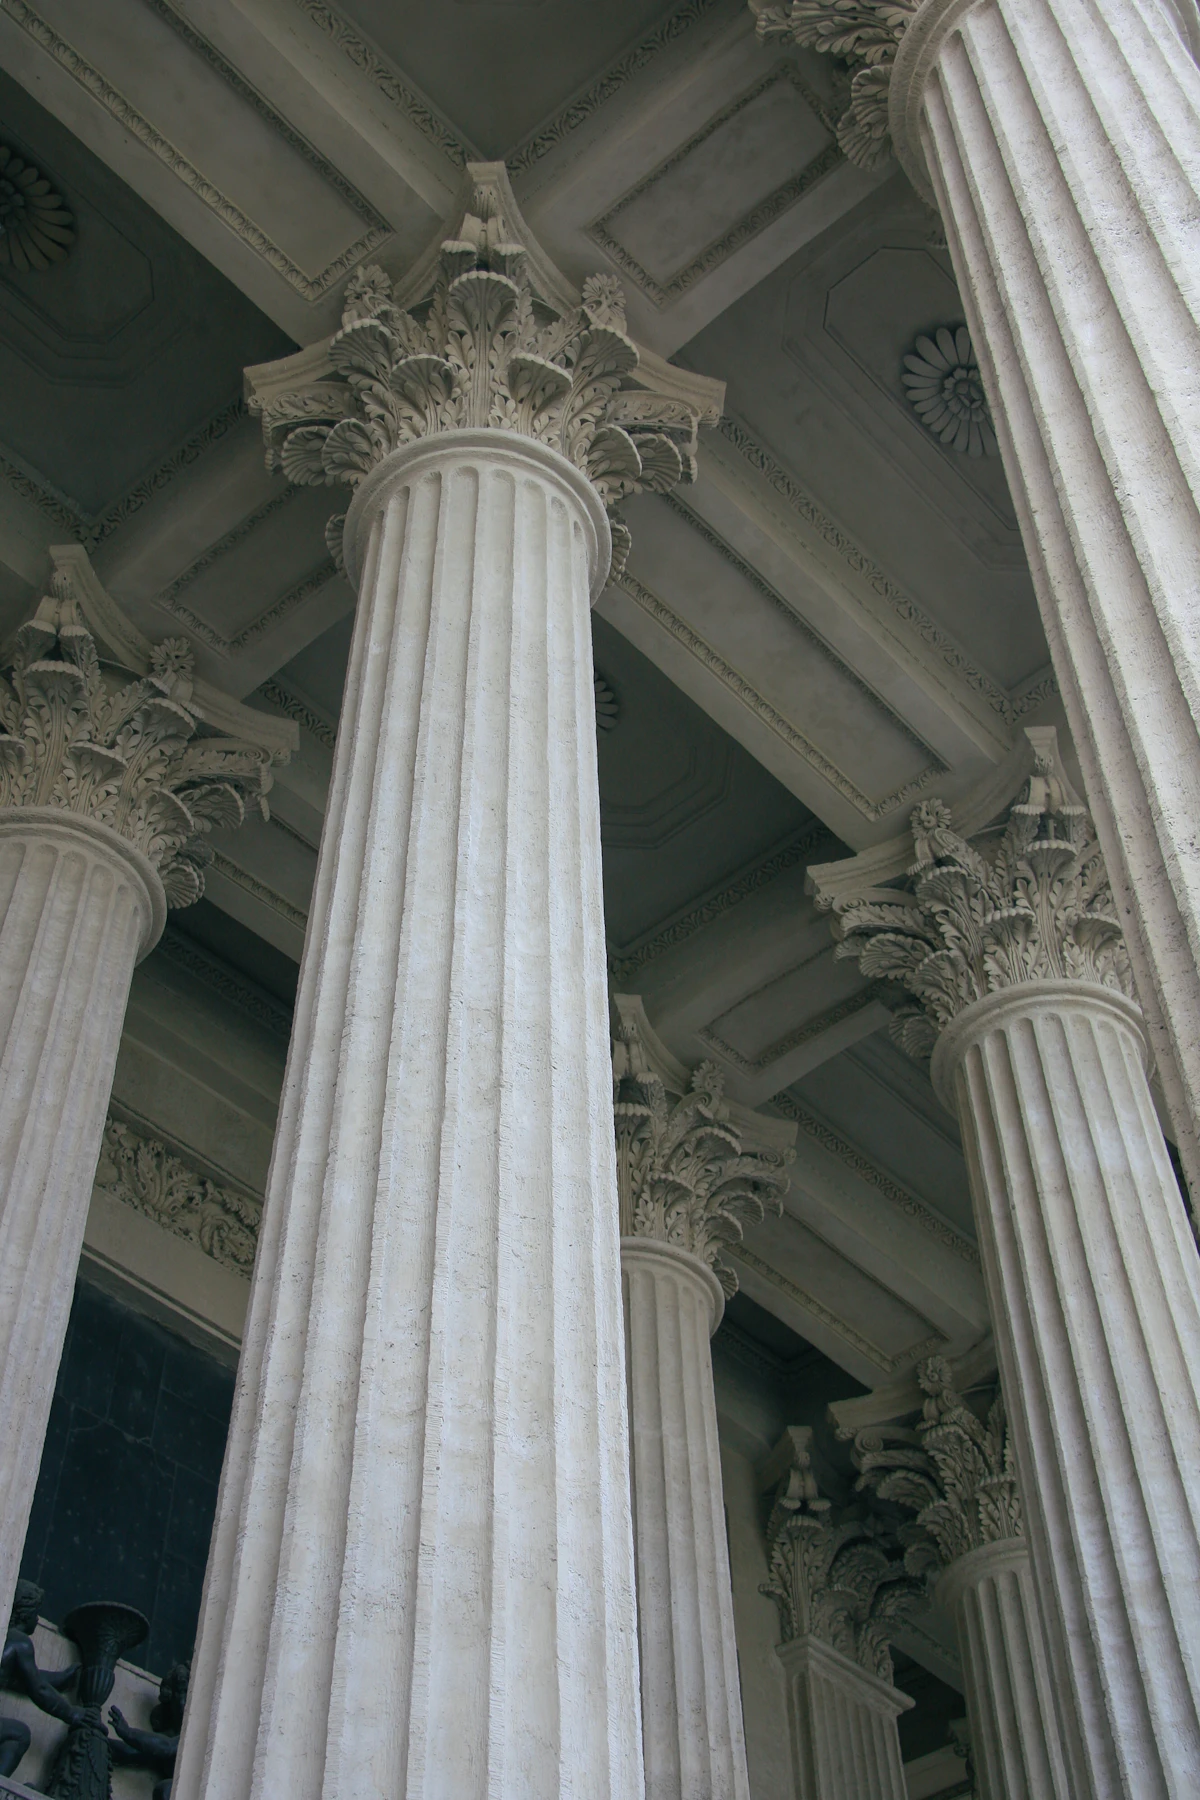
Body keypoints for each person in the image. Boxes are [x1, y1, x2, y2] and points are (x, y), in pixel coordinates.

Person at [0, 1581, 84, 1779]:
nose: (37, 1619)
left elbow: (25, 1679)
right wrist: (73, 1714)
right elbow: (38, 1689)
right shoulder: (20, 1642)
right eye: (36, 1612)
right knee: (18, 1734)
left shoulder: (7, 1644)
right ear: (25, 1613)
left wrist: (61, 1678)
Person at [108, 1662, 188, 1800]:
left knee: (166, 1790)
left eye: (187, 1693)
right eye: (180, 1692)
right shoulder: (169, 1737)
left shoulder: (191, 1738)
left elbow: (166, 1747)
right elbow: (135, 1752)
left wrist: (128, 1733)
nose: (183, 1701)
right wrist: (101, 1742)